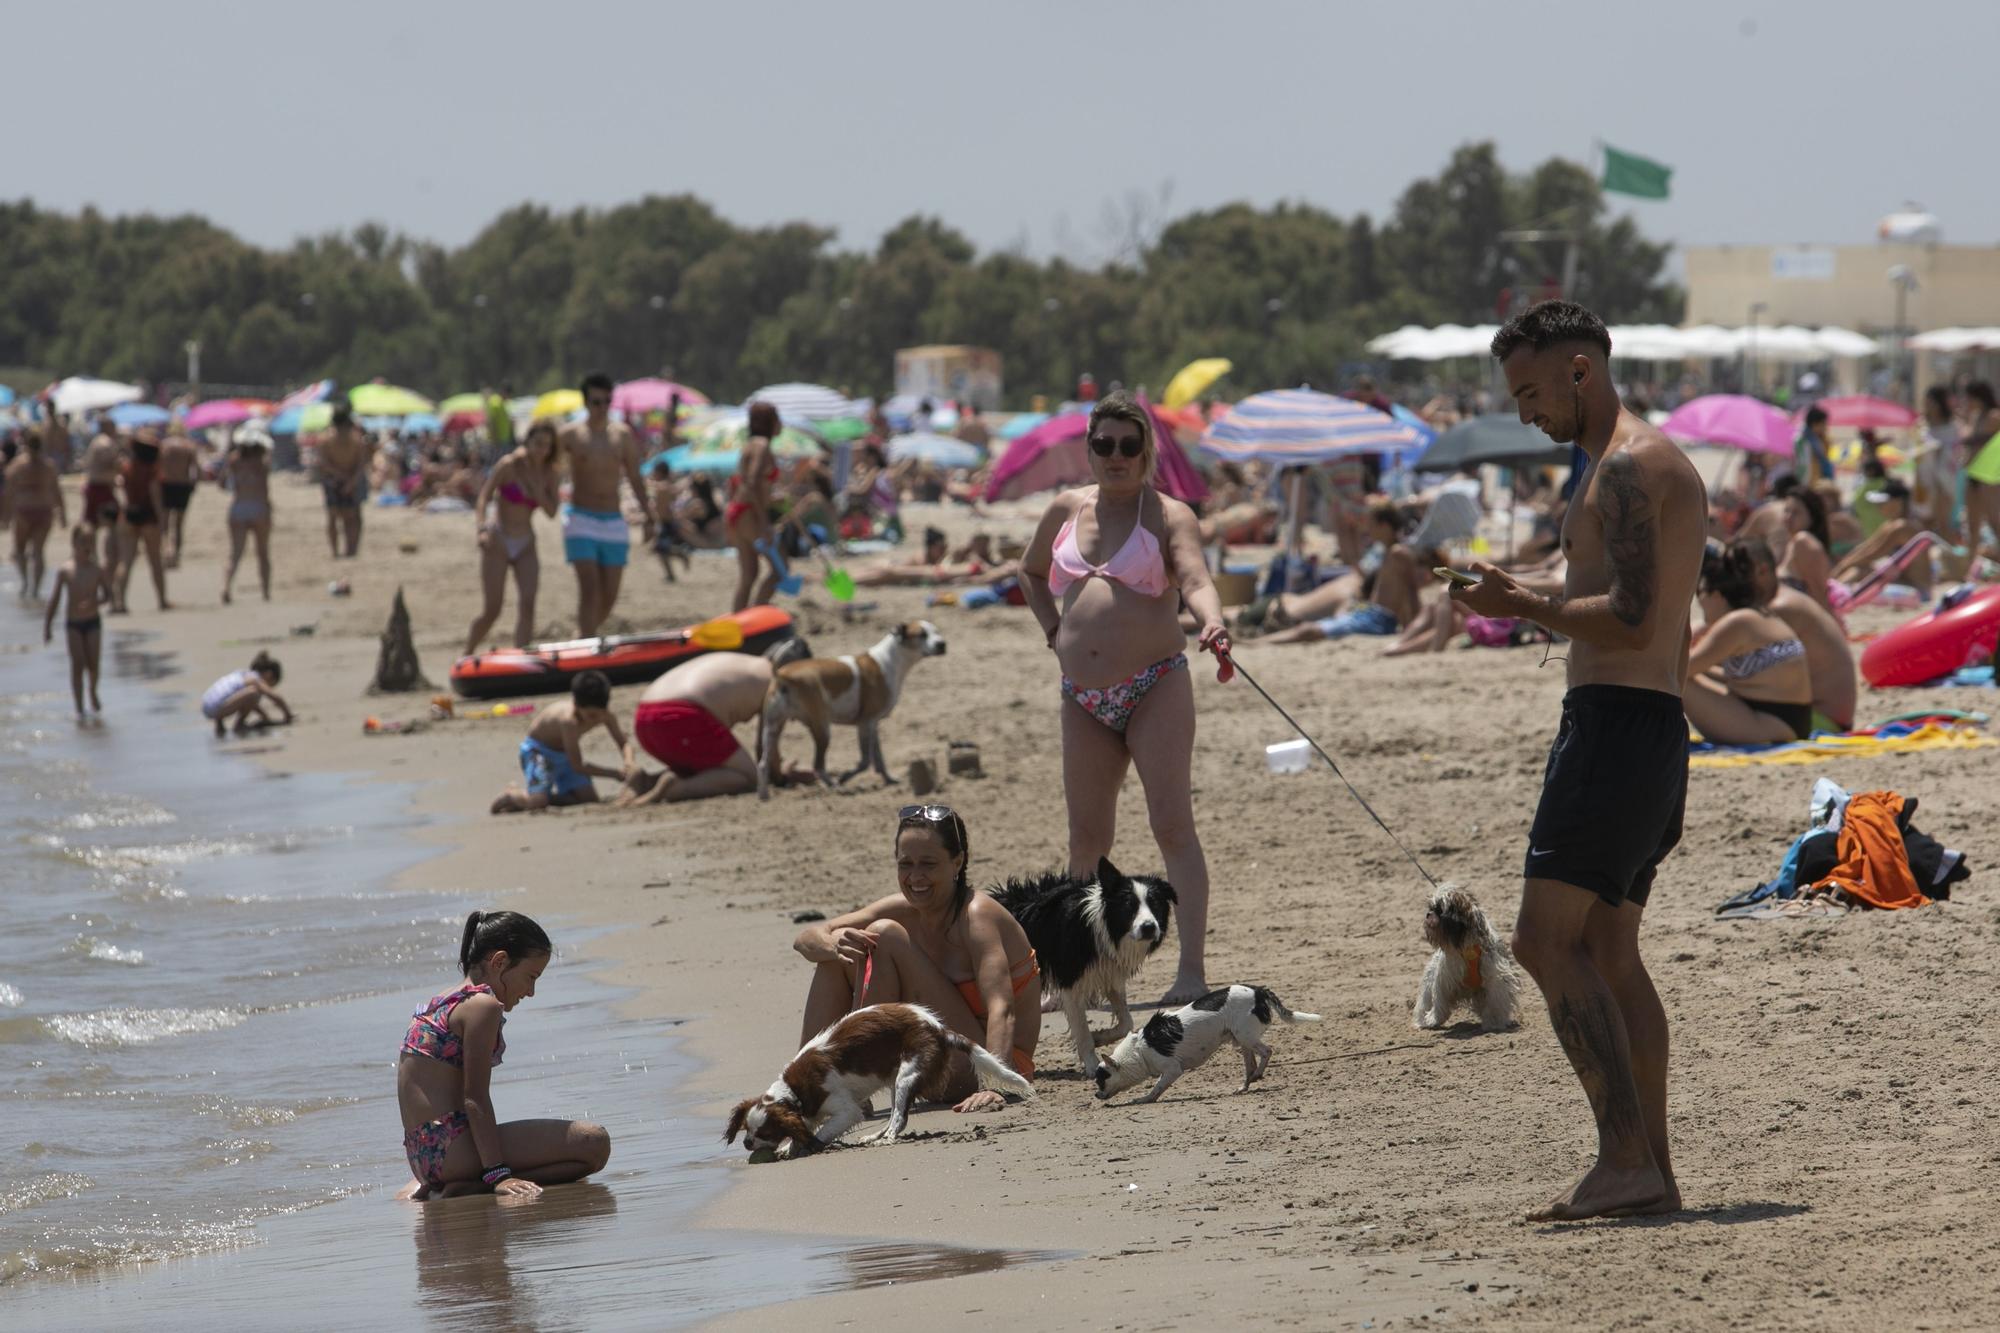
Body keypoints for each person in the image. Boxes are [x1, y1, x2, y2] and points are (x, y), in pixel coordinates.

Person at [1449, 301, 1705, 1221]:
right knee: (1607, 948)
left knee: (1542, 941)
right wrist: (1521, 590)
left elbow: (1633, 613)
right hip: (1646, 729)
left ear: (1580, 370)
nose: (1524, 412)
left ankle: (1626, 1156)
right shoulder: (1621, 463)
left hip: (1616, 728)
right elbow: (1618, 594)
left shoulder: (1631, 466)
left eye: (1530, 391)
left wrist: (1529, 613)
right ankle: (1651, 1172)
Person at [1020, 390, 1229, 1006]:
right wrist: (1052, 630)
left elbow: (1195, 578)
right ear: (1088, 449)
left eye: (1128, 445)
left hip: (1154, 685)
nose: (1115, 456)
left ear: (1147, 452)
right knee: (1086, 840)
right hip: (1081, 695)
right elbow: (1030, 573)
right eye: (1103, 444)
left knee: (1172, 826)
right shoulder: (1065, 507)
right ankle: (1078, 973)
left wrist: (1212, 622)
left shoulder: (1168, 515)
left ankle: (1190, 970)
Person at [792, 805, 1041, 1105]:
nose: (915, 877)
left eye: (928, 864)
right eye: (905, 864)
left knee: (884, 934)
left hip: (990, 1066)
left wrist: (994, 1085)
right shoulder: (903, 908)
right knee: (836, 957)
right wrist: (833, 945)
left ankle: (852, 1081)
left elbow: (1002, 1007)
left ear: (957, 862)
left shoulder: (977, 916)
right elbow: (806, 940)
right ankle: (805, 1090)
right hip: (935, 1057)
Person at [397, 910, 611, 1200]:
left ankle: (461, 1179)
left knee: (585, 1148)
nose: (531, 991)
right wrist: (498, 1174)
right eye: (530, 977)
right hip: (453, 1152)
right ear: (499, 962)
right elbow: (474, 1097)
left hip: (423, 1157)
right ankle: (476, 1183)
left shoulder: (438, 1003)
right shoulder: (482, 1006)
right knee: (594, 1144)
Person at [617, 638, 811, 806]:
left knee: (710, 769)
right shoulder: (777, 681)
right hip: (681, 717)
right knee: (748, 778)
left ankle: (647, 781)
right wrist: (783, 776)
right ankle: (674, 788)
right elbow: (765, 749)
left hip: (644, 717)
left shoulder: (745, 662)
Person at [1685, 542, 1815, 744]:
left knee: (1677, 680)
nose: (1700, 602)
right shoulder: (1761, 616)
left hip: (1769, 724)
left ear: (1717, 595)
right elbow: (1710, 671)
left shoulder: (1737, 623)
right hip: (1793, 721)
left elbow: (1681, 669)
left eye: (1700, 593)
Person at [558, 373, 655, 637]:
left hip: (613, 519)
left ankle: (582, 635)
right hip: (580, 518)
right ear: (586, 402)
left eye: (606, 402)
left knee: (609, 596)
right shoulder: (570, 435)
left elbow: (635, 478)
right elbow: (542, 464)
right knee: (589, 589)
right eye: (596, 402)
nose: (602, 408)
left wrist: (649, 516)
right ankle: (586, 649)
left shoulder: (622, 435)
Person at [1255, 503, 1428, 646]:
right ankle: (1259, 643)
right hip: (1369, 613)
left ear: (1385, 526)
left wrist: (1412, 629)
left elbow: (1410, 592)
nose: (1368, 529)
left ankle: (1258, 644)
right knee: (1308, 628)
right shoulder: (1385, 553)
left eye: (1372, 524)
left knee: (1308, 631)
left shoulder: (1399, 554)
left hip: (1378, 619)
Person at [464, 420, 561, 656]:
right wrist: (481, 529)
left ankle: (522, 657)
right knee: (492, 610)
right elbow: (483, 498)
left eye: (547, 446)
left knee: (528, 604)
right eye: (538, 443)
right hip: (498, 539)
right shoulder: (509, 465)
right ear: (527, 441)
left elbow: (551, 512)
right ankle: (467, 653)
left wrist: (538, 490)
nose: (542, 450)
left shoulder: (549, 473)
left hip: (526, 542)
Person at [1743, 540, 1855, 733]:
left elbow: (1744, 672)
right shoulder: (1788, 599)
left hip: (1821, 720)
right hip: (1834, 717)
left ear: (1762, 571)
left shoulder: (1780, 608)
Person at [490, 670, 634, 814]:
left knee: (588, 799)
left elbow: (623, 743)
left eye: (599, 714)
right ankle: (513, 794)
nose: (595, 719)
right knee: (538, 803)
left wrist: (629, 762)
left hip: (564, 755)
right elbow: (577, 765)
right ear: (577, 705)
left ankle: (537, 797)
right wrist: (614, 774)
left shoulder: (605, 715)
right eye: (591, 715)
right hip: (539, 753)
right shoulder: (568, 721)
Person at [42, 524, 114, 715]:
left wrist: (94, 602)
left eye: (91, 542)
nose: (87, 546)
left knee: (93, 664)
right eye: (83, 541)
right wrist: (47, 626)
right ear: (73, 543)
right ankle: (79, 707)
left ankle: (93, 691)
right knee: (77, 664)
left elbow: (108, 595)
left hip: (92, 622)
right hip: (73, 624)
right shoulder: (66, 570)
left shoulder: (97, 569)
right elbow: (55, 600)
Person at [725, 401, 781, 613]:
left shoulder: (750, 444)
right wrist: (764, 521)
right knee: (778, 570)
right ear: (770, 422)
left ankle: (737, 623)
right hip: (750, 513)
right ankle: (757, 616)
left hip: (737, 511)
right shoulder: (762, 445)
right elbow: (751, 482)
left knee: (749, 574)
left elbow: (747, 484)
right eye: (778, 418)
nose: (781, 423)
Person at [115, 431, 170, 613]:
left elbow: (122, 491)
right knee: (155, 561)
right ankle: (162, 600)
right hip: (149, 517)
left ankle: (120, 602)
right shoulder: (153, 471)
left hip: (130, 515)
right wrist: (163, 523)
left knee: (126, 560)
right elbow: (156, 497)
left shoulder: (127, 468)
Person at [5, 434, 64, 598]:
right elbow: (56, 490)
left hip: (24, 509)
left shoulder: (18, 465)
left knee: (20, 550)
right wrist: (62, 513)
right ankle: (36, 588)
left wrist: (5, 516)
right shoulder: (48, 465)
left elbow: (8, 492)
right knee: (38, 552)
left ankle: (25, 582)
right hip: (44, 509)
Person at [220, 431, 273, 604]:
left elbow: (222, 483)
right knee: (263, 553)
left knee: (235, 553)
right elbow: (265, 489)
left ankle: (226, 587)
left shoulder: (234, 461)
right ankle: (265, 592)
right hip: (258, 506)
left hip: (239, 507)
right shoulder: (262, 463)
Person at [318, 405, 372, 558]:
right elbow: (361, 464)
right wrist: (351, 481)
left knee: (333, 516)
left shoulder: (326, 438)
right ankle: (352, 549)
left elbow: (323, 463)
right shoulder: (356, 439)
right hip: (351, 479)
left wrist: (340, 476)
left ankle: (335, 551)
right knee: (354, 516)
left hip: (333, 480)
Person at [200, 651, 293, 737]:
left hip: (208, 705)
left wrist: (265, 717)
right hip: (217, 708)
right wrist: (288, 715)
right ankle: (239, 725)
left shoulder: (242, 674)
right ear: (269, 674)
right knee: (254, 693)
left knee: (251, 694)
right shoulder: (255, 680)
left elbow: (248, 702)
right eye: (272, 684)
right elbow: (275, 697)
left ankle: (220, 725)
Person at [1776, 485, 1834, 611]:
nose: (1788, 517)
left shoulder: (1803, 543)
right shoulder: (1791, 542)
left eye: (1796, 513)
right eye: (1786, 511)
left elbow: (1820, 596)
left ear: (1812, 517)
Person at [1964, 381, 2000, 564]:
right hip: (1973, 474)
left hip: (1989, 475)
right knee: (1972, 523)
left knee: (1995, 521)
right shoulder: (1975, 416)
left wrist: (1970, 440)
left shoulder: (1994, 415)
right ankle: (1970, 563)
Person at [81, 420, 124, 571]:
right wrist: (120, 465)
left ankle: (92, 555)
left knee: (91, 523)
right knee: (113, 523)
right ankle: (108, 556)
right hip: (102, 488)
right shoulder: (106, 443)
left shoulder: (96, 442)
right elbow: (108, 464)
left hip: (94, 486)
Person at [158, 428, 199, 568]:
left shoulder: (163, 445)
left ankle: (165, 552)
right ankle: (176, 554)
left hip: (166, 485)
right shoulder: (188, 446)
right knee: (179, 524)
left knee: (164, 523)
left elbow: (157, 466)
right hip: (183, 485)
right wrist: (194, 485)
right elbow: (195, 469)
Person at [1792, 405, 1833, 486]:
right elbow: (1802, 466)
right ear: (1814, 424)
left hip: (1819, 482)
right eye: (1823, 424)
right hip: (1808, 484)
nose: (1825, 427)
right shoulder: (1802, 441)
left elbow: (1825, 457)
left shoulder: (1820, 440)